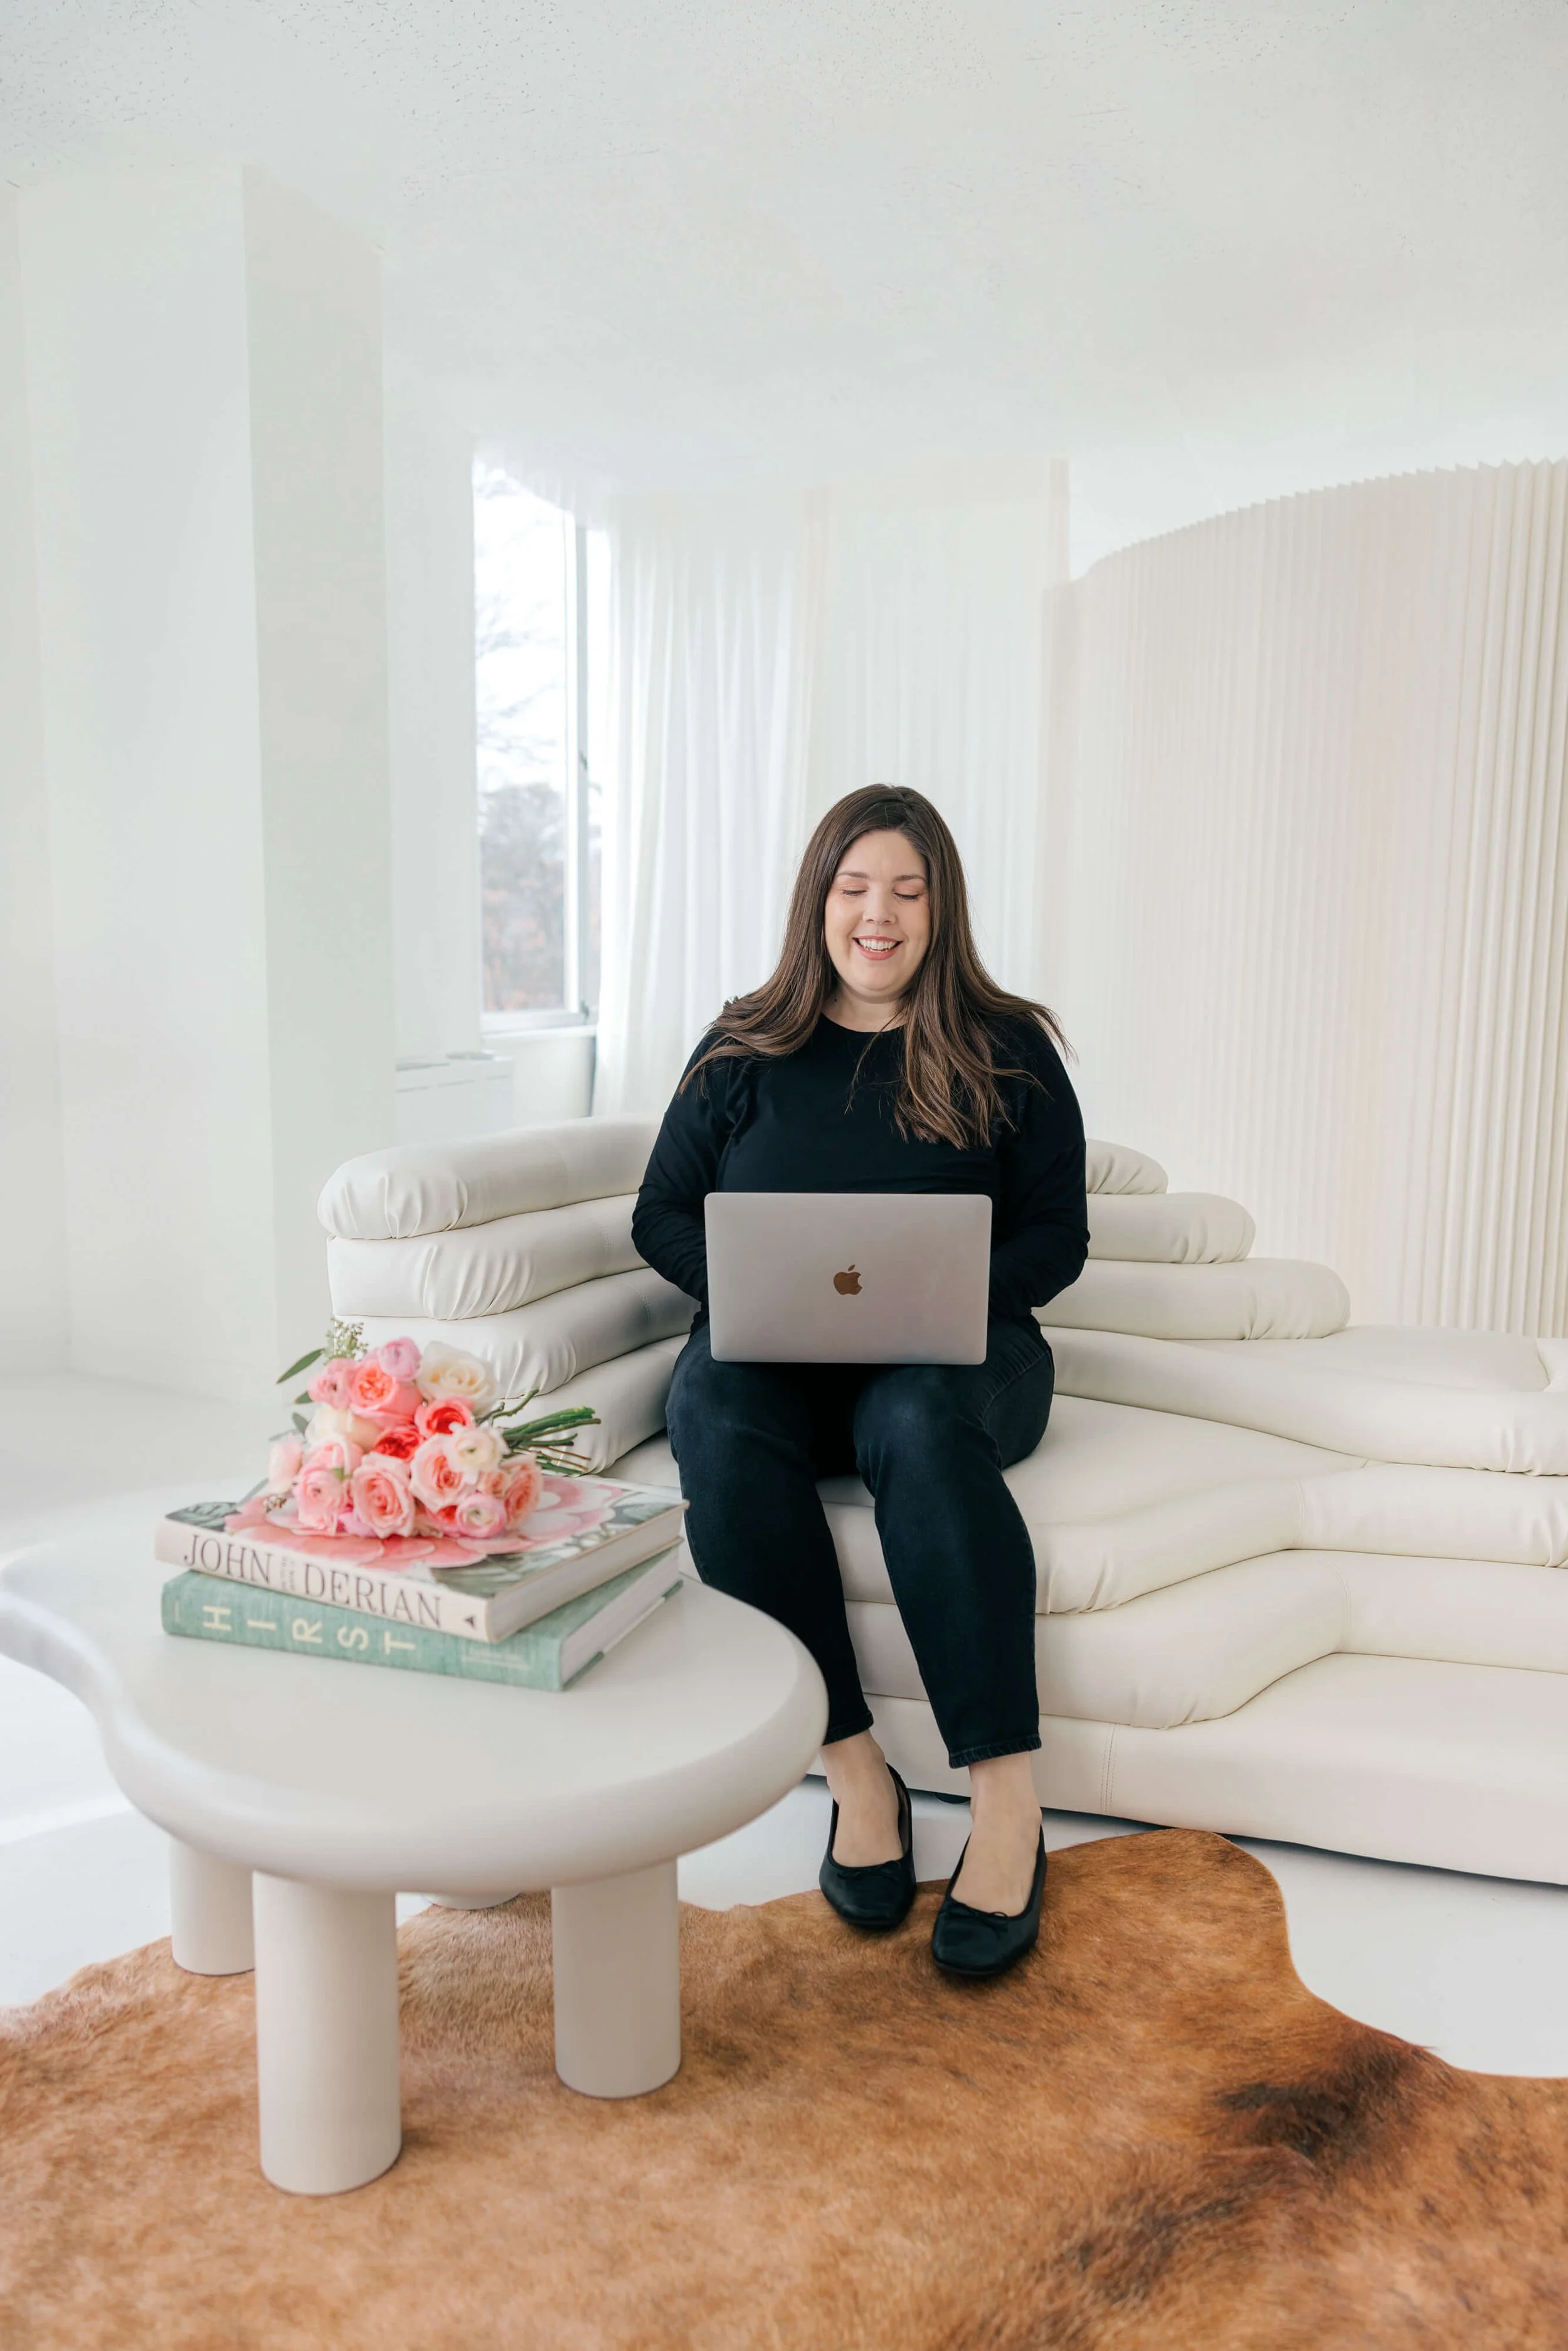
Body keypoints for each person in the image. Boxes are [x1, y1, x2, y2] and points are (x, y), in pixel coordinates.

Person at [632, 785, 1089, 1978]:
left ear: (940, 909)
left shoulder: (1006, 1044)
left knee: (915, 1411)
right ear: (818, 901)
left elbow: (1059, 1237)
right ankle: (855, 1773)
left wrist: (942, 1296)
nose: (877, 916)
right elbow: (661, 1211)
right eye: (854, 888)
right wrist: (742, 1290)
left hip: (959, 1362)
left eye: (906, 889)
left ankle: (1005, 1801)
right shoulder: (746, 1042)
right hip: (777, 1360)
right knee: (711, 1409)